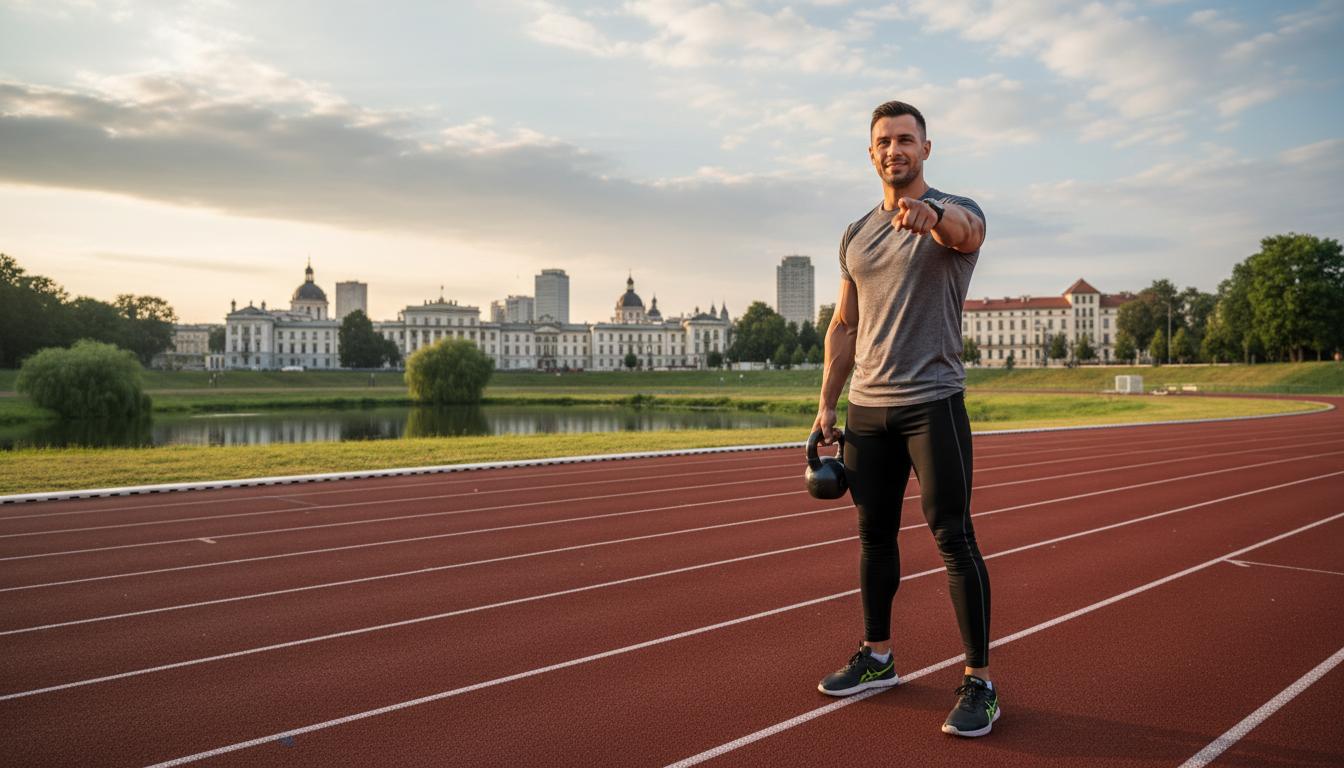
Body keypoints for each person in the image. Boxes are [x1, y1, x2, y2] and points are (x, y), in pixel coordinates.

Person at [811, 100, 997, 737]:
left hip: (933, 404)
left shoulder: (955, 209)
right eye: (884, 141)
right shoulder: (855, 233)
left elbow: (965, 233)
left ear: (926, 148)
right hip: (867, 410)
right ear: (871, 153)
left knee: (953, 538)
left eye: (907, 140)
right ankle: (878, 658)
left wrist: (932, 215)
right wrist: (826, 404)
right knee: (872, 537)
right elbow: (844, 324)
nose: (896, 150)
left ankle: (980, 682)